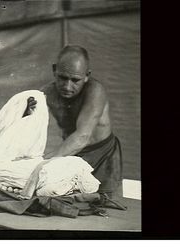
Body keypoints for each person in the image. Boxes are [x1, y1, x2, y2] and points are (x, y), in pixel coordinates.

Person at [24, 45, 123, 199]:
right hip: (73, 154)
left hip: (103, 156)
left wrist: (43, 162)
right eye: (63, 78)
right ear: (54, 70)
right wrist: (26, 112)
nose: (67, 86)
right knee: (67, 204)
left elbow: (83, 136)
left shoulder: (95, 91)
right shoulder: (46, 93)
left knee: (108, 208)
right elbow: (25, 126)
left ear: (87, 75)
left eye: (75, 80)